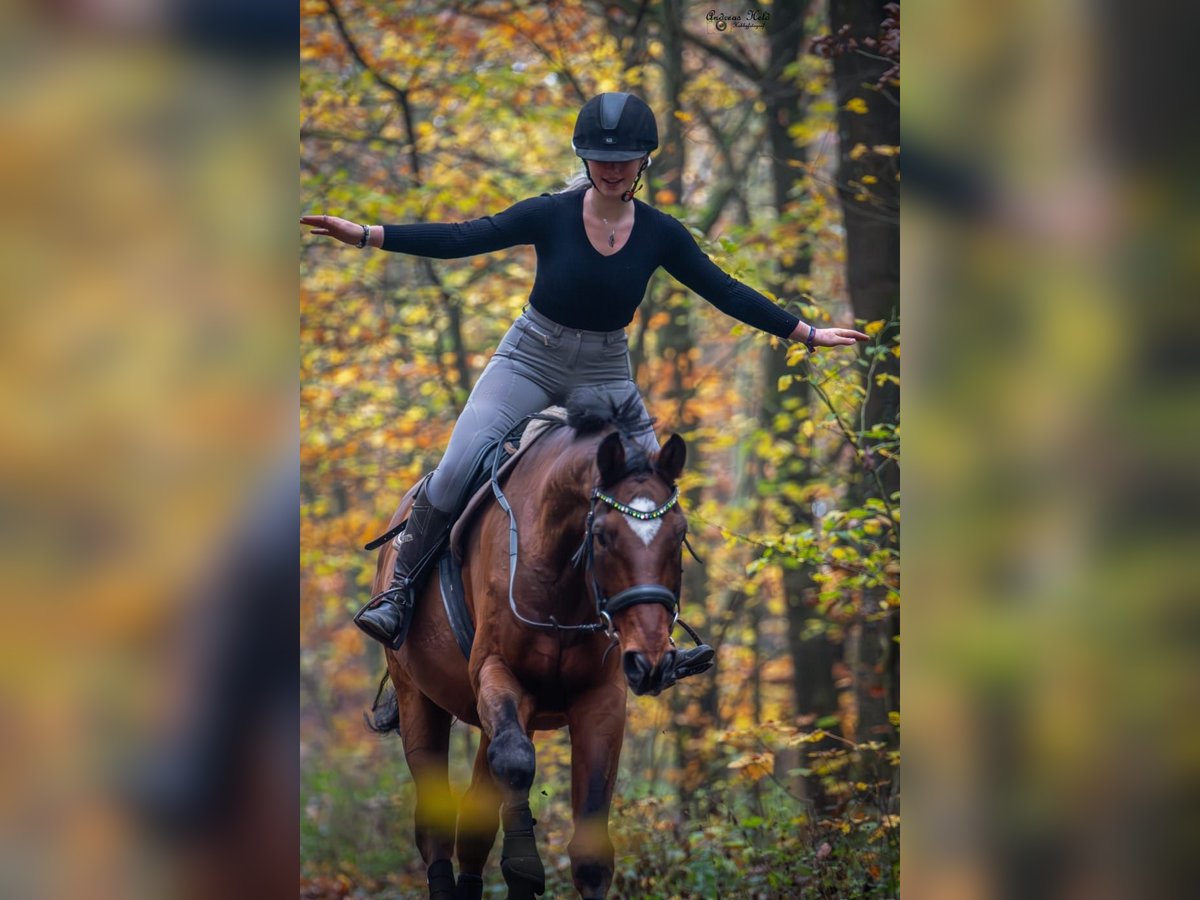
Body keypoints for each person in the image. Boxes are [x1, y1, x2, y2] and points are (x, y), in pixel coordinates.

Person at [302, 92, 867, 677]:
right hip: (529, 359)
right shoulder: (551, 213)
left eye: (625, 157)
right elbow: (463, 236)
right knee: (454, 468)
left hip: (605, 370)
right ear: (585, 157)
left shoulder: (661, 234)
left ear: (644, 161)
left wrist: (805, 332)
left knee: (651, 492)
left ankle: (661, 640)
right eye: (602, 156)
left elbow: (722, 289)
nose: (613, 166)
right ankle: (398, 595)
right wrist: (368, 234)